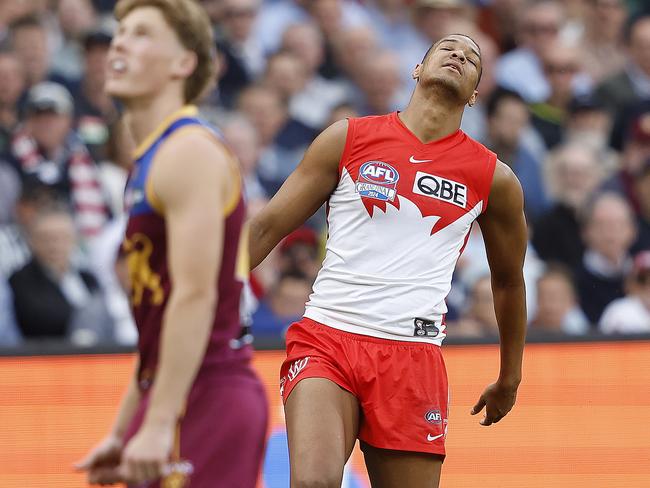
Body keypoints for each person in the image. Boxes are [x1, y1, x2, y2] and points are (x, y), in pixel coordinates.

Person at [250, 34, 527, 487]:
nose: (459, 54)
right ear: (417, 69)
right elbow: (264, 229)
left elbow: (509, 284)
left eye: (472, 57)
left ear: (476, 93)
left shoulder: (494, 178)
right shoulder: (348, 138)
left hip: (412, 355)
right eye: (448, 47)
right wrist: (208, 305)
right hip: (328, 337)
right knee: (311, 484)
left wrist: (510, 377)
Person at [75, 1, 267, 486]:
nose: (119, 42)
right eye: (120, 32)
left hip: (210, 392)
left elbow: (194, 296)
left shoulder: (189, 152)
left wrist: (158, 422)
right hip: (174, 389)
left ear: (184, 63)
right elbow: (158, 333)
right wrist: (124, 429)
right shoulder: (149, 161)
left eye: (141, 34)